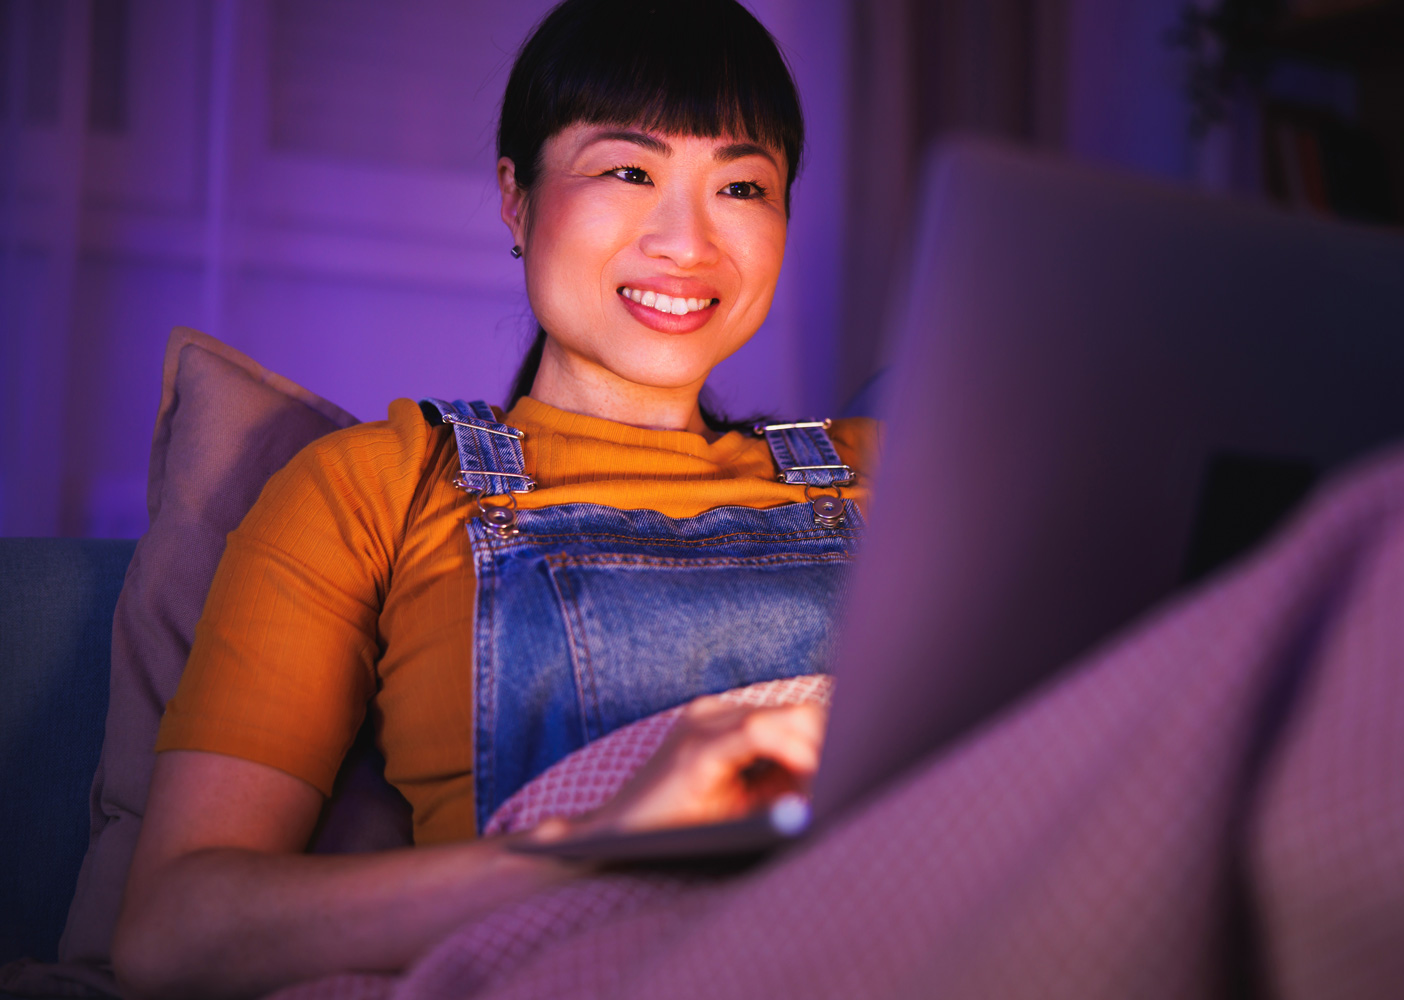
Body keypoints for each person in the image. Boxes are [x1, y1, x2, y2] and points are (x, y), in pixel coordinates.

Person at [112, 2, 875, 997]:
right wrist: (597, 844)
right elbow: (174, 927)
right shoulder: (374, 484)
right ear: (514, 198)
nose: (687, 241)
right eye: (627, 170)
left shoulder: (887, 472)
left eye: (740, 185)